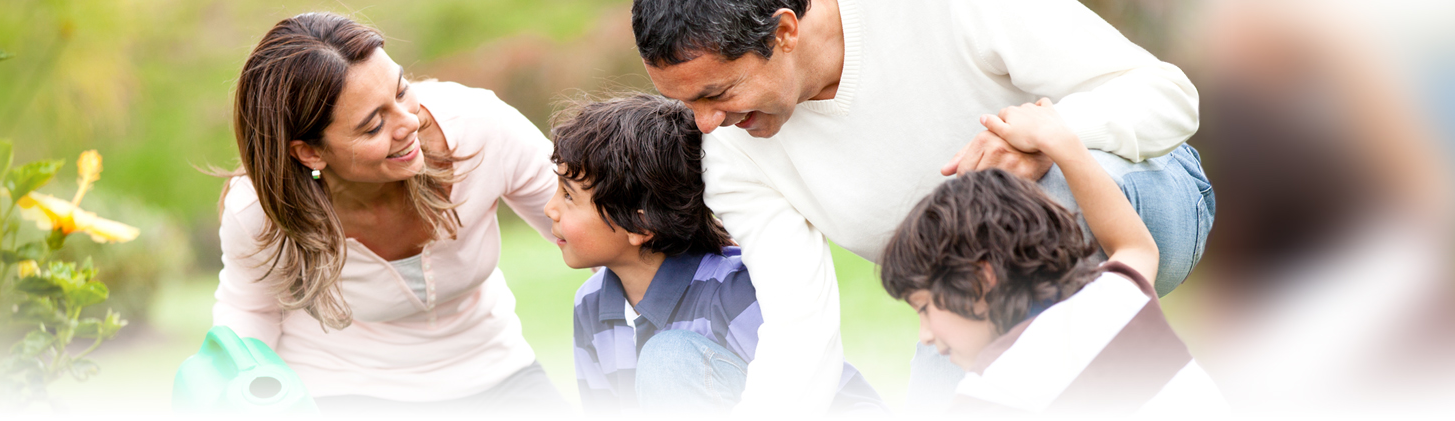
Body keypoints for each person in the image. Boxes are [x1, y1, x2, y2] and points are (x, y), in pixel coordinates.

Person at [628, 0, 1213, 413]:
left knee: (1032, 205)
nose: (706, 124)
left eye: (717, 93)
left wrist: (1048, 137)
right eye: (685, 103)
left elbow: (1168, 95)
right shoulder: (733, 156)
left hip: (1141, 196)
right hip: (964, 299)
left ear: (784, 32)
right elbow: (798, 327)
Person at [211, 12, 565, 415]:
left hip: (492, 366)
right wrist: (244, 394)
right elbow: (250, 312)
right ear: (309, 152)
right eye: (373, 126)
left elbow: (587, 223)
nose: (409, 122)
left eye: (401, 91)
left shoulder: (480, 126)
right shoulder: (258, 210)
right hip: (341, 384)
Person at [878, 99, 1226, 415]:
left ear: (980, 279)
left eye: (925, 309)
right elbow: (1135, 247)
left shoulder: (993, 395)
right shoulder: (1110, 301)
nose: (925, 335)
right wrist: (1060, 142)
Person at [544, 94, 885, 414]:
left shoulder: (732, 293)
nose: (549, 209)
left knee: (668, 359)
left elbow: (846, 401)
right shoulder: (590, 305)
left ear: (639, 224)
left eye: (569, 196)